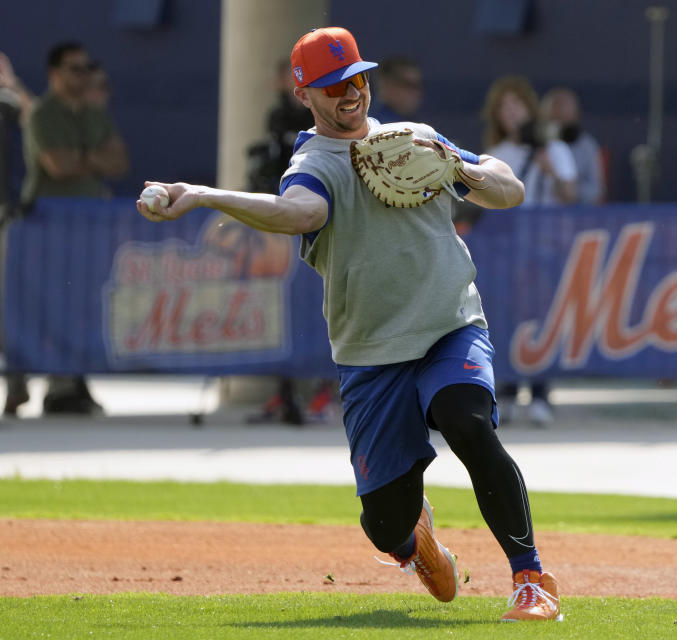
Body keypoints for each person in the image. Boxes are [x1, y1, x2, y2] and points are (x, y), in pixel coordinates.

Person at [136, 26, 560, 622]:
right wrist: (205, 194)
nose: (351, 92)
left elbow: (508, 191)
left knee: (467, 424)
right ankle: (416, 542)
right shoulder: (314, 162)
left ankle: (531, 579)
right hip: (370, 354)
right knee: (383, 523)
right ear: (304, 92)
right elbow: (298, 212)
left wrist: (459, 170)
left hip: (449, 326)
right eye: (334, 85)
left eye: (357, 78)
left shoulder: (414, 140)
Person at [17, 42, 129, 415]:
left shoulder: (93, 114)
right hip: (46, 228)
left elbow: (119, 161)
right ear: (55, 74)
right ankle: (21, 382)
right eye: (74, 68)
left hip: (86, 228)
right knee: (38, 305)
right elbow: (57, 166)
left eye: (87, 67)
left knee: (79, 305)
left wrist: (84, 158)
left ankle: (68, 383)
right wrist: (93, 159)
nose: (83, 75)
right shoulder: (43, 113)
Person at [481, 76, 579, 426]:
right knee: (505, 317)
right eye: (504, 108)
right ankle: (506, 390)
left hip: (544, 247)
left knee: (538, 318)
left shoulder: (554, 149)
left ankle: (540, 393)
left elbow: (569, 197)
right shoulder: (496, 153)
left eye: (516, 105)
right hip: (507, 249)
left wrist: (551, 173)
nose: (511, 113)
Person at [245, 58, 336, 426]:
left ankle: (323, 393)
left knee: (323, 313)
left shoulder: (326, 117)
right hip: (284, 229)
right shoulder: (277, 115)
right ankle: (284, 393)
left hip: (322, 228)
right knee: (284, 313)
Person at [0, 52, 35, 416]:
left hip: (3, 213)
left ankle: (15, 384)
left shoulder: (6, 103)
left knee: (6, 307)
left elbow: (31, 115)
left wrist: (11, 82)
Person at [541, 86, 605, 205]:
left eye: (564, 107)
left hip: (575, 214)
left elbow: (595, 191)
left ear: (575, 114)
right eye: (555, 107)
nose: (559, 113)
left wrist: (570, 191)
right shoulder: (536, 144)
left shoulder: (587, 146)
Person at [368, 55, 422, 124]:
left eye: (417, 85)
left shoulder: (409, 121)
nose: (416, 92)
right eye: (408, 84)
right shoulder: (374, 125)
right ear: (386, 85)